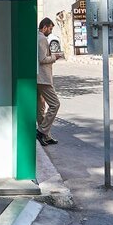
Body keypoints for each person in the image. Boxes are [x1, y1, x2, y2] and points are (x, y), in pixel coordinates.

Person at [37, 17, 62, 146]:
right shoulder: (42, 39)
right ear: (44, 27)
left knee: (40, 108)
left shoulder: (37, 37)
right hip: (43, 79)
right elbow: (42, 59)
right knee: (55, 104)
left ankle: (45, 135)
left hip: (37, 78)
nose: (50, 31)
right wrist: (54, 57)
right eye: (50, 29)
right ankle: (41, 131)